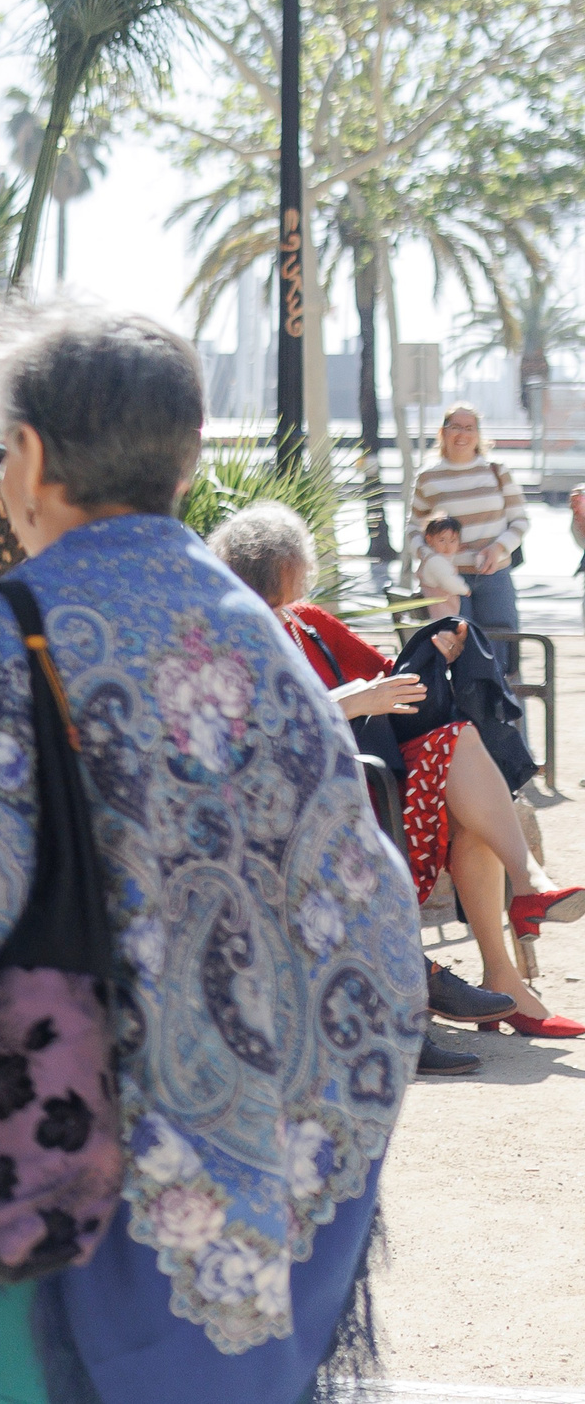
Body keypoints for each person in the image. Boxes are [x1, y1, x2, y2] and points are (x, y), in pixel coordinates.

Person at [0, 306, 424, 1404]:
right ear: (186, 455)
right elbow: (364, 900)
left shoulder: (11, 627)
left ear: (26, 457)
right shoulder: (251, 623)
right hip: (271, 1145)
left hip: (71, 1152)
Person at [210, 502, 585, 1043]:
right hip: (319, 801)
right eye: (279, 581)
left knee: (461, 755)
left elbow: (393, 679)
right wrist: (353, 701)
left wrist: (433, 652)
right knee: (463, 779)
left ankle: (515, 938)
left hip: (376, 785)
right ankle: (517, 940)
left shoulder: (307, 622)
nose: (285, 596)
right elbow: (258, 727)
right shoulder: (231, 637)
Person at [408, 402, 528, 631]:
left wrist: (498, 548)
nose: (462, 434)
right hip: (448, 580)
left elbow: (520, 521)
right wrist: (429, 557)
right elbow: (413, 528)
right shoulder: (428, 477)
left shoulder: (497, 471)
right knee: (460, 653)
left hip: (495, 577)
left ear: (478, 435)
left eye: (469, 427)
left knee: (500, 651)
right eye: (455, 427)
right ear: (443, 432)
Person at [416, 515, 470, 621]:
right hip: (441, 616)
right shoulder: (436, 561)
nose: (447, 546)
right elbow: (448, 581)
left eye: (452, 541)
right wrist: (464, 589)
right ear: (429, 539)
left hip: (437, 615)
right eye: (442, 540)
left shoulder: (430, 558)